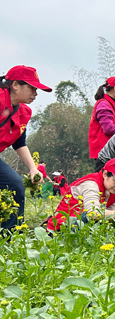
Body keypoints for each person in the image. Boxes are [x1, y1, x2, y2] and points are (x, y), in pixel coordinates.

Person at [0, 65, 52, 233]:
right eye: (32, 88)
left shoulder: (24, 112)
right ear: (15, 85)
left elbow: (19, 143)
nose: (35, 93)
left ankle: (9, 236)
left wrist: (33, 168)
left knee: (14, 185)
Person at [46, 159, 115, 231]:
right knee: (88, 215)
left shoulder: (113, 189)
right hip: (61, 228)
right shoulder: (91, 184)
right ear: (105, 174)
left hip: (82, 225)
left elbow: (112, 213)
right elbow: (93, 213)